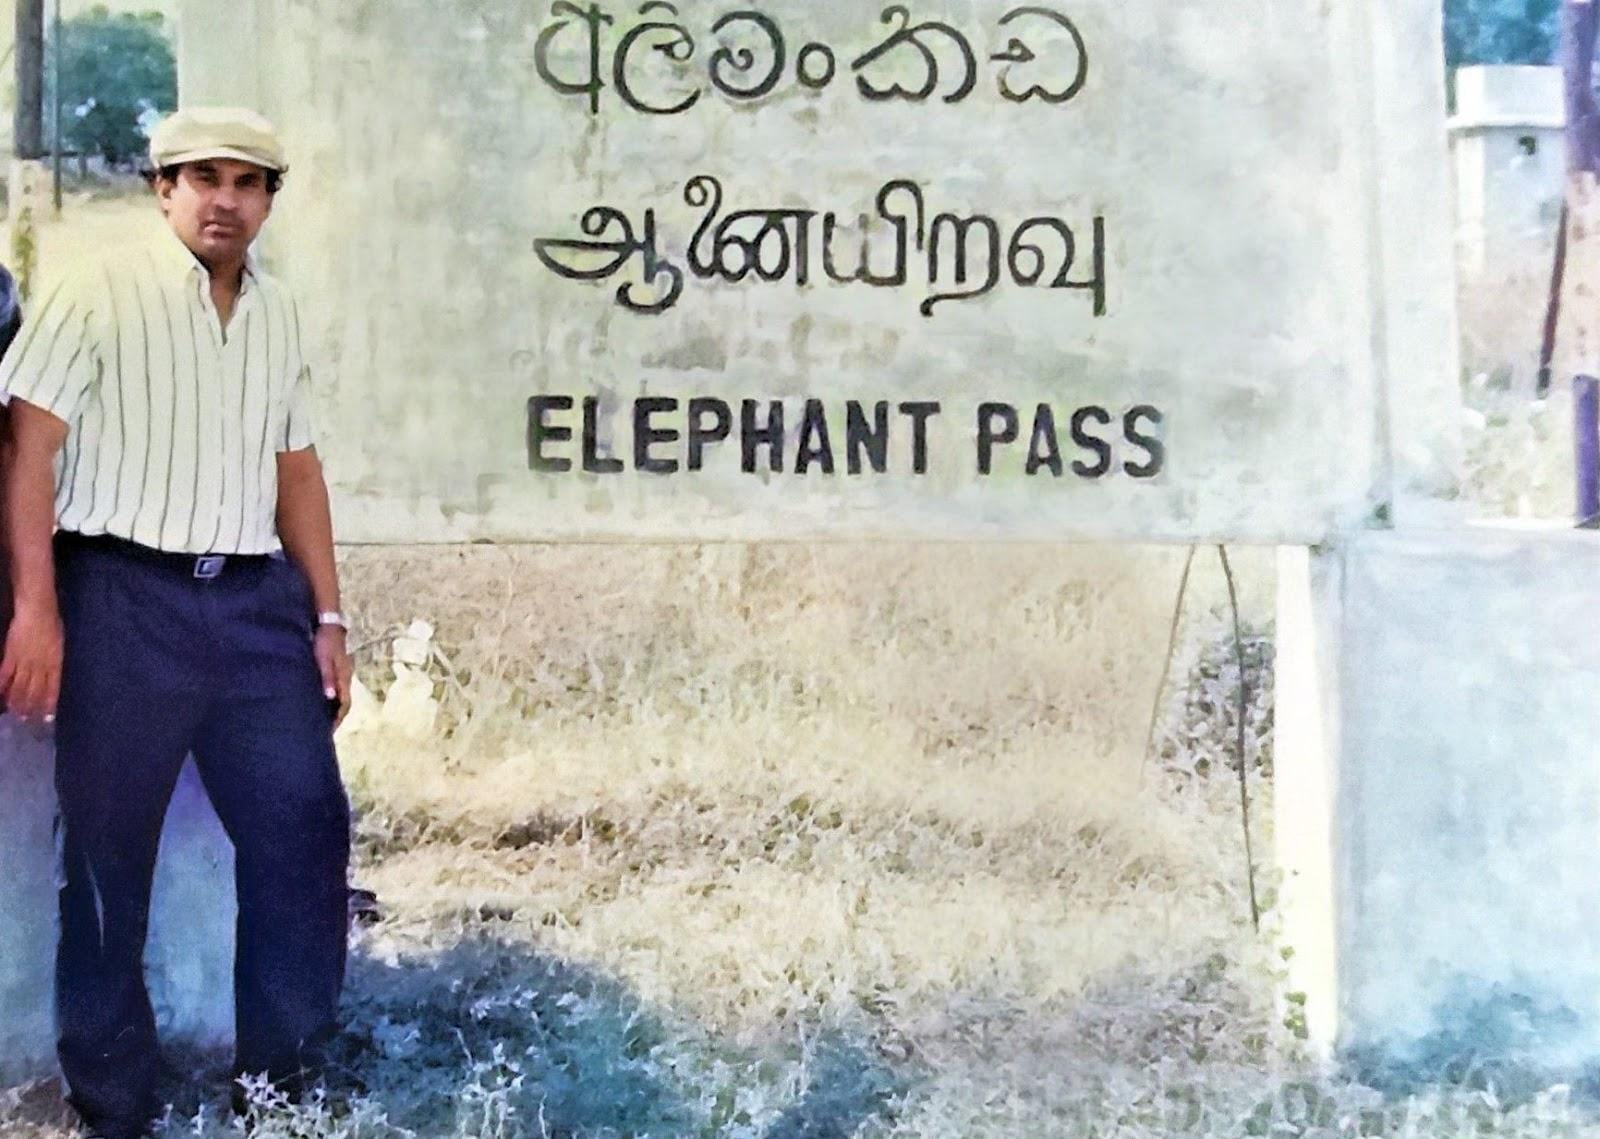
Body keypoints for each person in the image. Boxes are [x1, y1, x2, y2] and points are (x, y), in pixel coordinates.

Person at [0, 107, 355, 1139]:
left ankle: (280, 1090)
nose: (224, 201)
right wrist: (37, 608)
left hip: (253, 610)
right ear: (164, 189)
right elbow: (28, 450)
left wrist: (328, 613)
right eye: (203, 178)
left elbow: (296, 468)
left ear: (269, 202)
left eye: (247, 183)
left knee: (302, 829)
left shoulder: (278, 312)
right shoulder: (95, 289)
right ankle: (114, 1104)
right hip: (122, 598)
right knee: (106, 859)